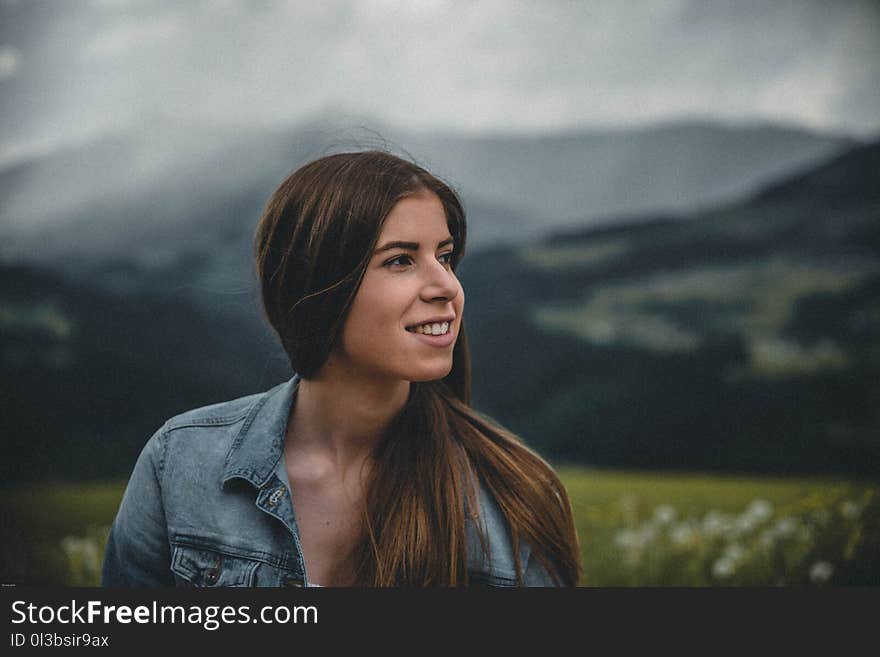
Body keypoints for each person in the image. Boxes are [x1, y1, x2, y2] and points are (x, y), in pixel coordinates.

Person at [102, 150, 582, 587]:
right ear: (318, 289)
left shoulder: (511, 496)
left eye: (445, 256)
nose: (447, 287)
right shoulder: (181, 463)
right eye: (400, 260)